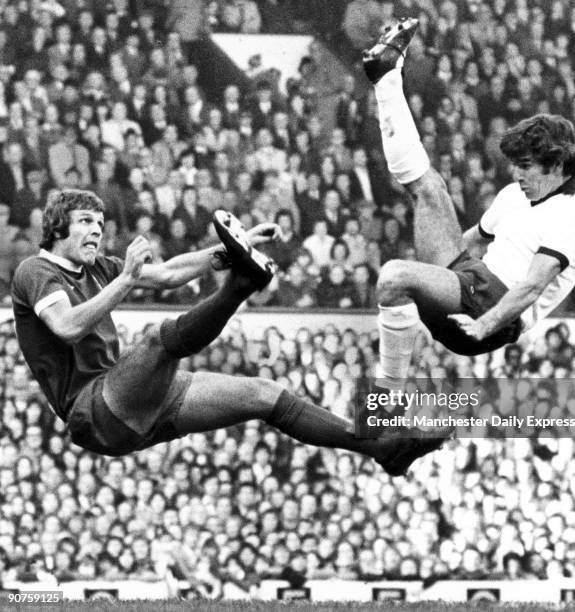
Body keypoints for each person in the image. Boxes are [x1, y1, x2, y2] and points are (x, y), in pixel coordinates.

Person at [11, 189, 430, 476]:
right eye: (86, 222)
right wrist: (126, 279)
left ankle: (383, 450)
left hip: (130, 402)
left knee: (265, 395)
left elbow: (171, 273)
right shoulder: (36, 271)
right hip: (94, 410)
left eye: (101, 222)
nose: (98, 230)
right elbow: (66, 326)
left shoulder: (98, 266)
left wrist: (235, 246)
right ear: (57, 228)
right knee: (159, 338)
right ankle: (241, 286)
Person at [363, 18, 575, 384]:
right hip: (472, 283)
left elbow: (532, 287)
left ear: (557, 164)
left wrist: (482, 325)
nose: (516, 175)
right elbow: (469, 243)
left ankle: (386, 397)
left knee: (394, 275)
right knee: (429, 187)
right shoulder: (514, 194)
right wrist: (433, 283)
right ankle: (386, 80)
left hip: (495, 311)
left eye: (525, 167)